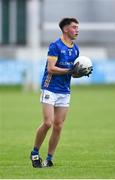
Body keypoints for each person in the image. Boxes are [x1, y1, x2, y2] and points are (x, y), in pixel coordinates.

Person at [30, 17, 92, 168]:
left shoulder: (76, 49)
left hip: (65, 91)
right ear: (65, 29)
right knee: (48, 123)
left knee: (58, 125)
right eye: (74, 27)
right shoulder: (55, 46)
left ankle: (49, 159)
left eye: (78, 27)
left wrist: (81, 72)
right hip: (50, 87)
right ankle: (34, 153)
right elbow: (51, 68)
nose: (77, 30)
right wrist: (70, 70)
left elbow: (72, 73)